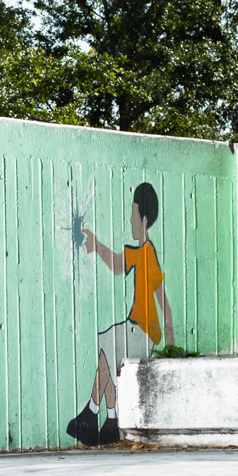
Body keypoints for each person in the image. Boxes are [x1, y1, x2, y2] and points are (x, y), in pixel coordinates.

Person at [66, 182, 174, 447]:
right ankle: (108, 421)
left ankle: (94, 412)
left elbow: (116, 265)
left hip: (142, 331)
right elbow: (165, 305)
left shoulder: (145, 253)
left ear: (144, 220)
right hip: (138, 328)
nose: (130, 220)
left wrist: (171, 348)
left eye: (133, 214)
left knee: (109, 344)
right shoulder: (147, 254)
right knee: (108, 350)